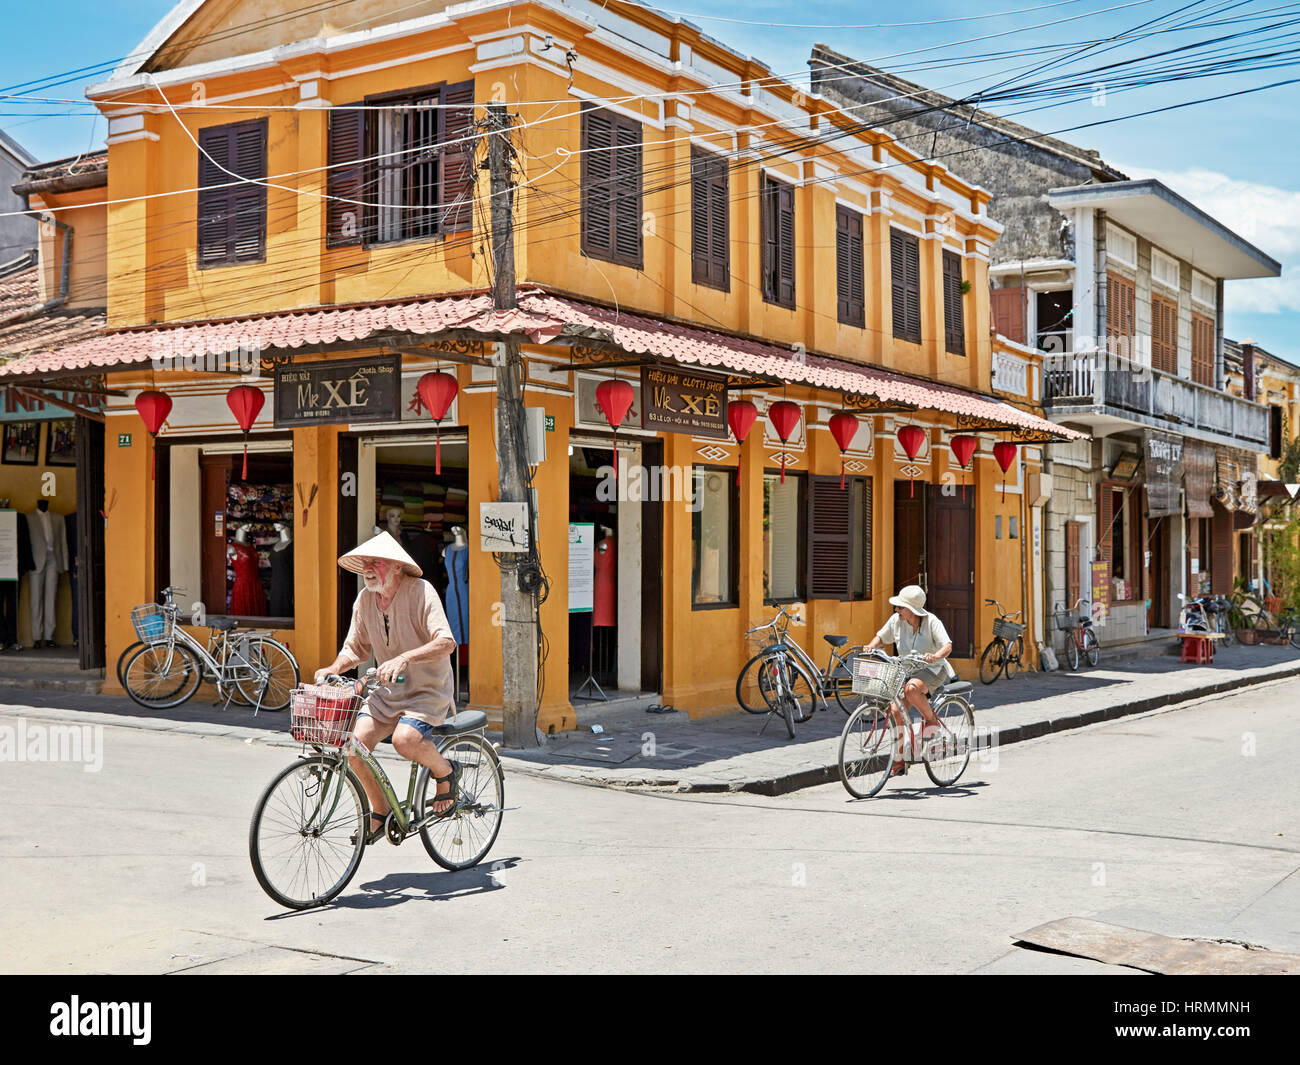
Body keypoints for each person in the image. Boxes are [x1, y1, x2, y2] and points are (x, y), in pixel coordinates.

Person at [315, 531, 460, 844]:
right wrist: (333, 668)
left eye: (375, 562)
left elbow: (446, 642)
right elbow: (356, 648)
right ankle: (380, 813)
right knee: (354, 748)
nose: (368, 568)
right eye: (365, 562)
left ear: (396, 566)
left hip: (427, 690)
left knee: (405, 741)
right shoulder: (365, 599)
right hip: (386, 693)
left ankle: (445, 772)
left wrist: (405, 658)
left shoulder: (421, 591)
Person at [862, 584, 955, 777]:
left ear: (912, 610)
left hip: (933, 669)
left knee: (912, 689)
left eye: (901, 607)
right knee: (896, 710)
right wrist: (871, 646)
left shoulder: (931, 622)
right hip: (907, 669)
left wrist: (935, 656)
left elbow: (947, 646)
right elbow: (882, 636)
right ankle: (900, 759)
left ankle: (931, 722)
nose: (897, 609)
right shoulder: (897, 620)